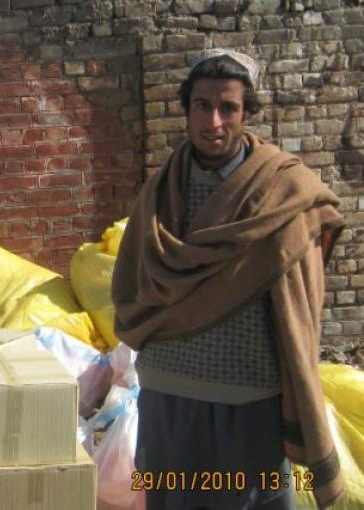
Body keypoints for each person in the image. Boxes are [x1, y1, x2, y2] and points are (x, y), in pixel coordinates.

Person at [112, 50, 346, 509]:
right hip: (168, 392)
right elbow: (132, 284)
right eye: (202, 105)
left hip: (249, 392)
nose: (213, 121)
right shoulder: (159, 193)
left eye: (228, 108)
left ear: (248, 113)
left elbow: (303, 298)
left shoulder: (284, 192)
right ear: (186, 109)